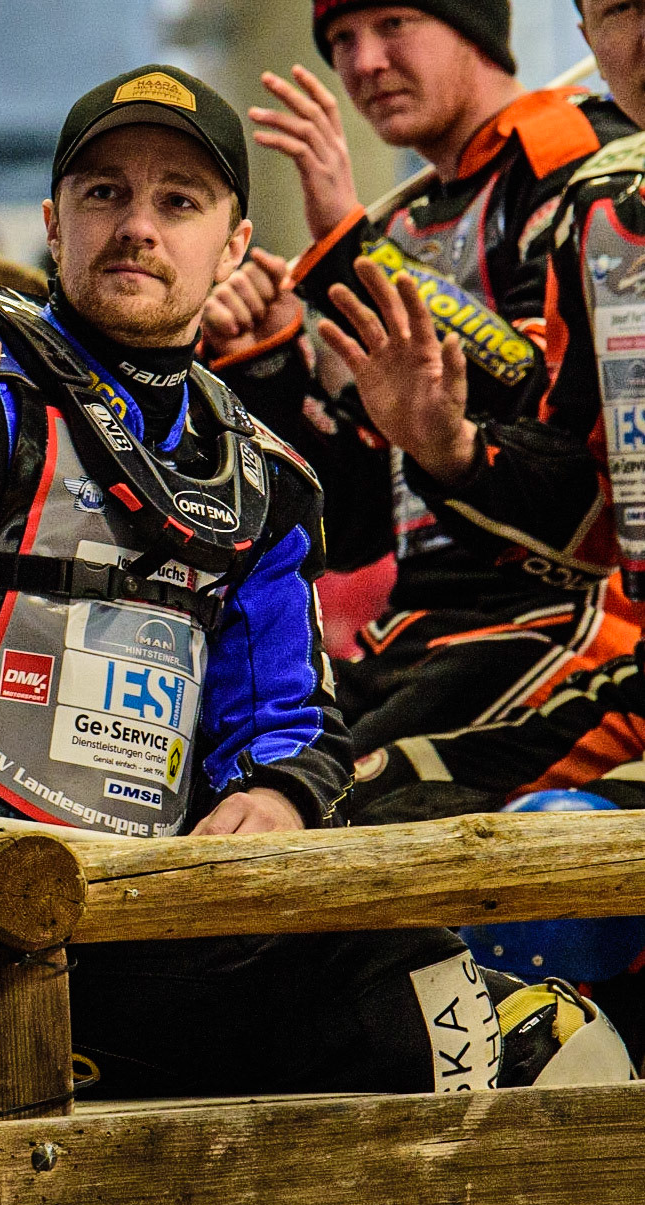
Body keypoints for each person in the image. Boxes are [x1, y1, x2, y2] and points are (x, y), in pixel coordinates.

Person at [0, 65, 631, 1097]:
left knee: (536, 1033)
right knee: (414, 994)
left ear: (232, 246)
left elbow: (288, 717)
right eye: (104, 193)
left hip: (139, 922)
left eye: (177, 201)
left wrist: (274, 794)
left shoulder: (264, 479)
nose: (137, 225)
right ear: (52, 223)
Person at [201, 0, 637, 755]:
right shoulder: (405, 226)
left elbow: (540, 402)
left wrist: (349, 250)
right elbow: (357, 526)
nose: (364, 63)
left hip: (561, 608)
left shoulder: (575, 152)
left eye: (393, 24)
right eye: (342, 39)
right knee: (239, 765)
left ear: (474, 28)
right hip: (424, 625)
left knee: (345, 801)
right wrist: (267, 361)